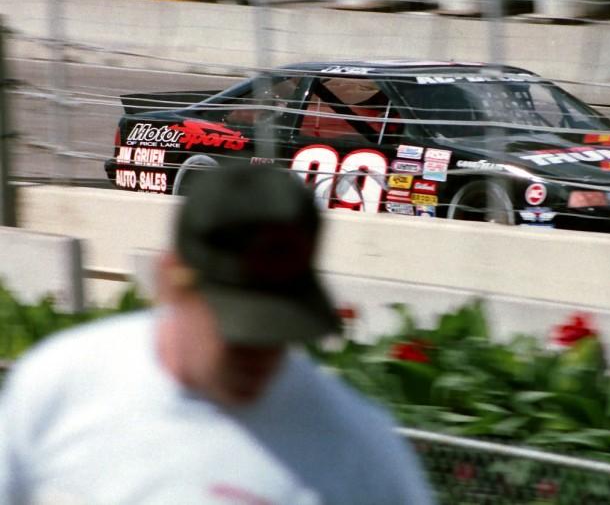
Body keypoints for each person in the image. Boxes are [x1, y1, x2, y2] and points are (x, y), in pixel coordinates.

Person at [0, 165, 434, 505]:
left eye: (280, 329)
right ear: (169, 280)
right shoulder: (59, 385)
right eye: (238, 327)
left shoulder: (362, 453)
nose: (260, 350)